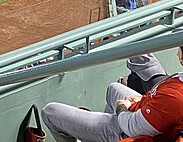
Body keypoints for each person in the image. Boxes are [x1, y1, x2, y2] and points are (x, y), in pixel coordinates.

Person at [41, 43, 183, 142]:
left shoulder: (174, 97)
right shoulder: (176, 87)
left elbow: (133, 129)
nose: (177, 51)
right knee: (114, 89)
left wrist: (122, 107)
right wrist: (140, 101)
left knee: (50, 112)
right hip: (145, 117)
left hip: (129, 133)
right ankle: (94, 135)